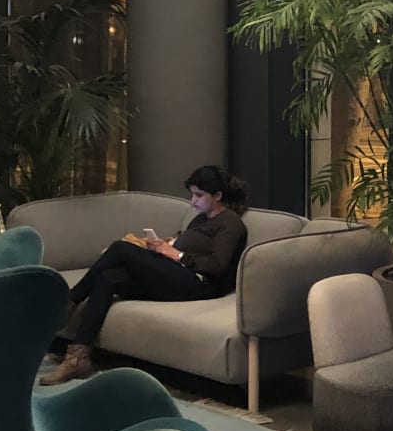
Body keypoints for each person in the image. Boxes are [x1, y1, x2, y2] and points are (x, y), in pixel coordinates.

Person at [40, 165, 249, 385]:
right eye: (192, 195)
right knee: (109, 277)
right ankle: (78, 357)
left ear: (217, 196)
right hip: (175, 275)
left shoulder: (230, 224)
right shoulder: (201, 219)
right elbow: (186, 248)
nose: (193, 201)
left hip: (199, 285)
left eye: (199, 195)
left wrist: (177, 254)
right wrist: (163, 247)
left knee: (120, 248)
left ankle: (70, 302)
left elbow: (217, 265)